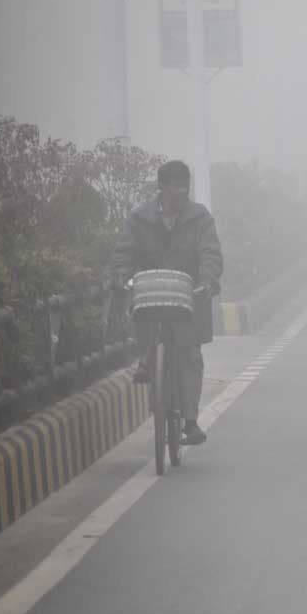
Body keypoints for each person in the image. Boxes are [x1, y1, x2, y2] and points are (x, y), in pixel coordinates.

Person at [112, 160, 223, 446]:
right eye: (174, 188)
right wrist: (123, 279)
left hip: (188, 297)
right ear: (161, 188)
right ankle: (148, 364)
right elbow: (124, 253)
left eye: (184, 188)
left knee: (189, 356)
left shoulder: (200, 218)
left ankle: (189, 421)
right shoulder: (139, 219)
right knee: (150, 345)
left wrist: (207, 281)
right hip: (150, 296)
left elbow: (210, 252)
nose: (180, 194)